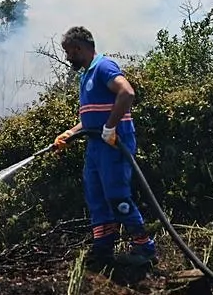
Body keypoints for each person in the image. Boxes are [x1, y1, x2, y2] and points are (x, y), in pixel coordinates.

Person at [53, 26, 157, 271]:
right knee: (96, 196)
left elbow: (127, 92)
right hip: (96, 145)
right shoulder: (85, 75)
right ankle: (103, 248)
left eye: (69, 52)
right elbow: (91, 117)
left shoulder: (103, 67)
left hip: (114, 143)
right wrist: (71, 133)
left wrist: (111, 127)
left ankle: (144, 247)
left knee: (116, 195)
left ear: (79, 48)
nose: (67, 58)